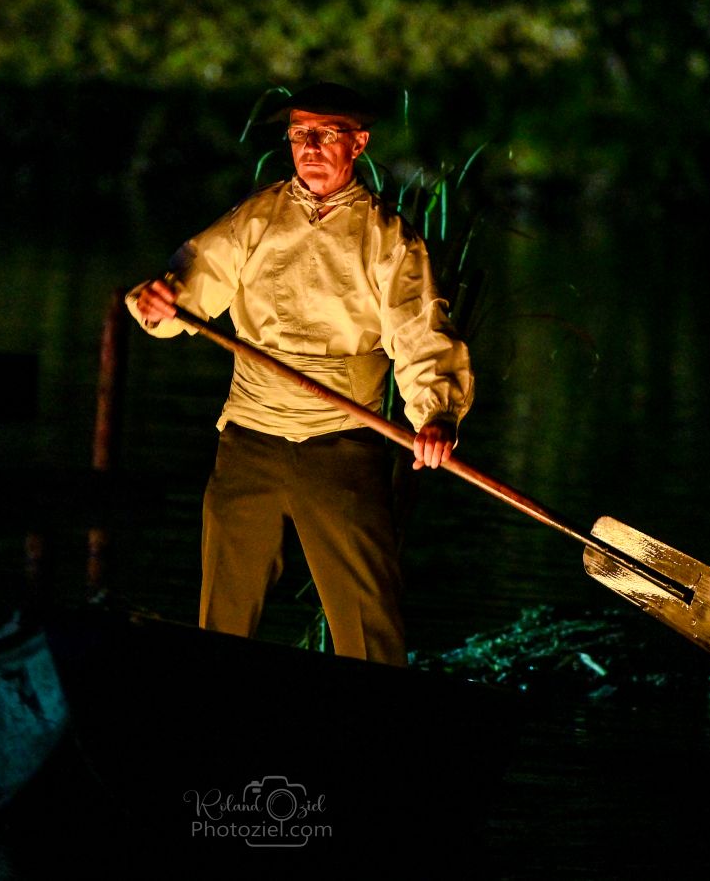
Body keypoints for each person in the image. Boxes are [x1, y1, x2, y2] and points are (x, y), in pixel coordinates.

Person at [126, 81, 474, 666]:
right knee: (222, 624)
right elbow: (189, 284)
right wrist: (162, 302)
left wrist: (436, 415)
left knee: (369, 635)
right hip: (249, 440)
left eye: (324, 135)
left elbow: (419, 333)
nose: (308, 148)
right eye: (297, 136)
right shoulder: (256, 219)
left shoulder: (388, 240)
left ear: (358, 143)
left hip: (341, 447)